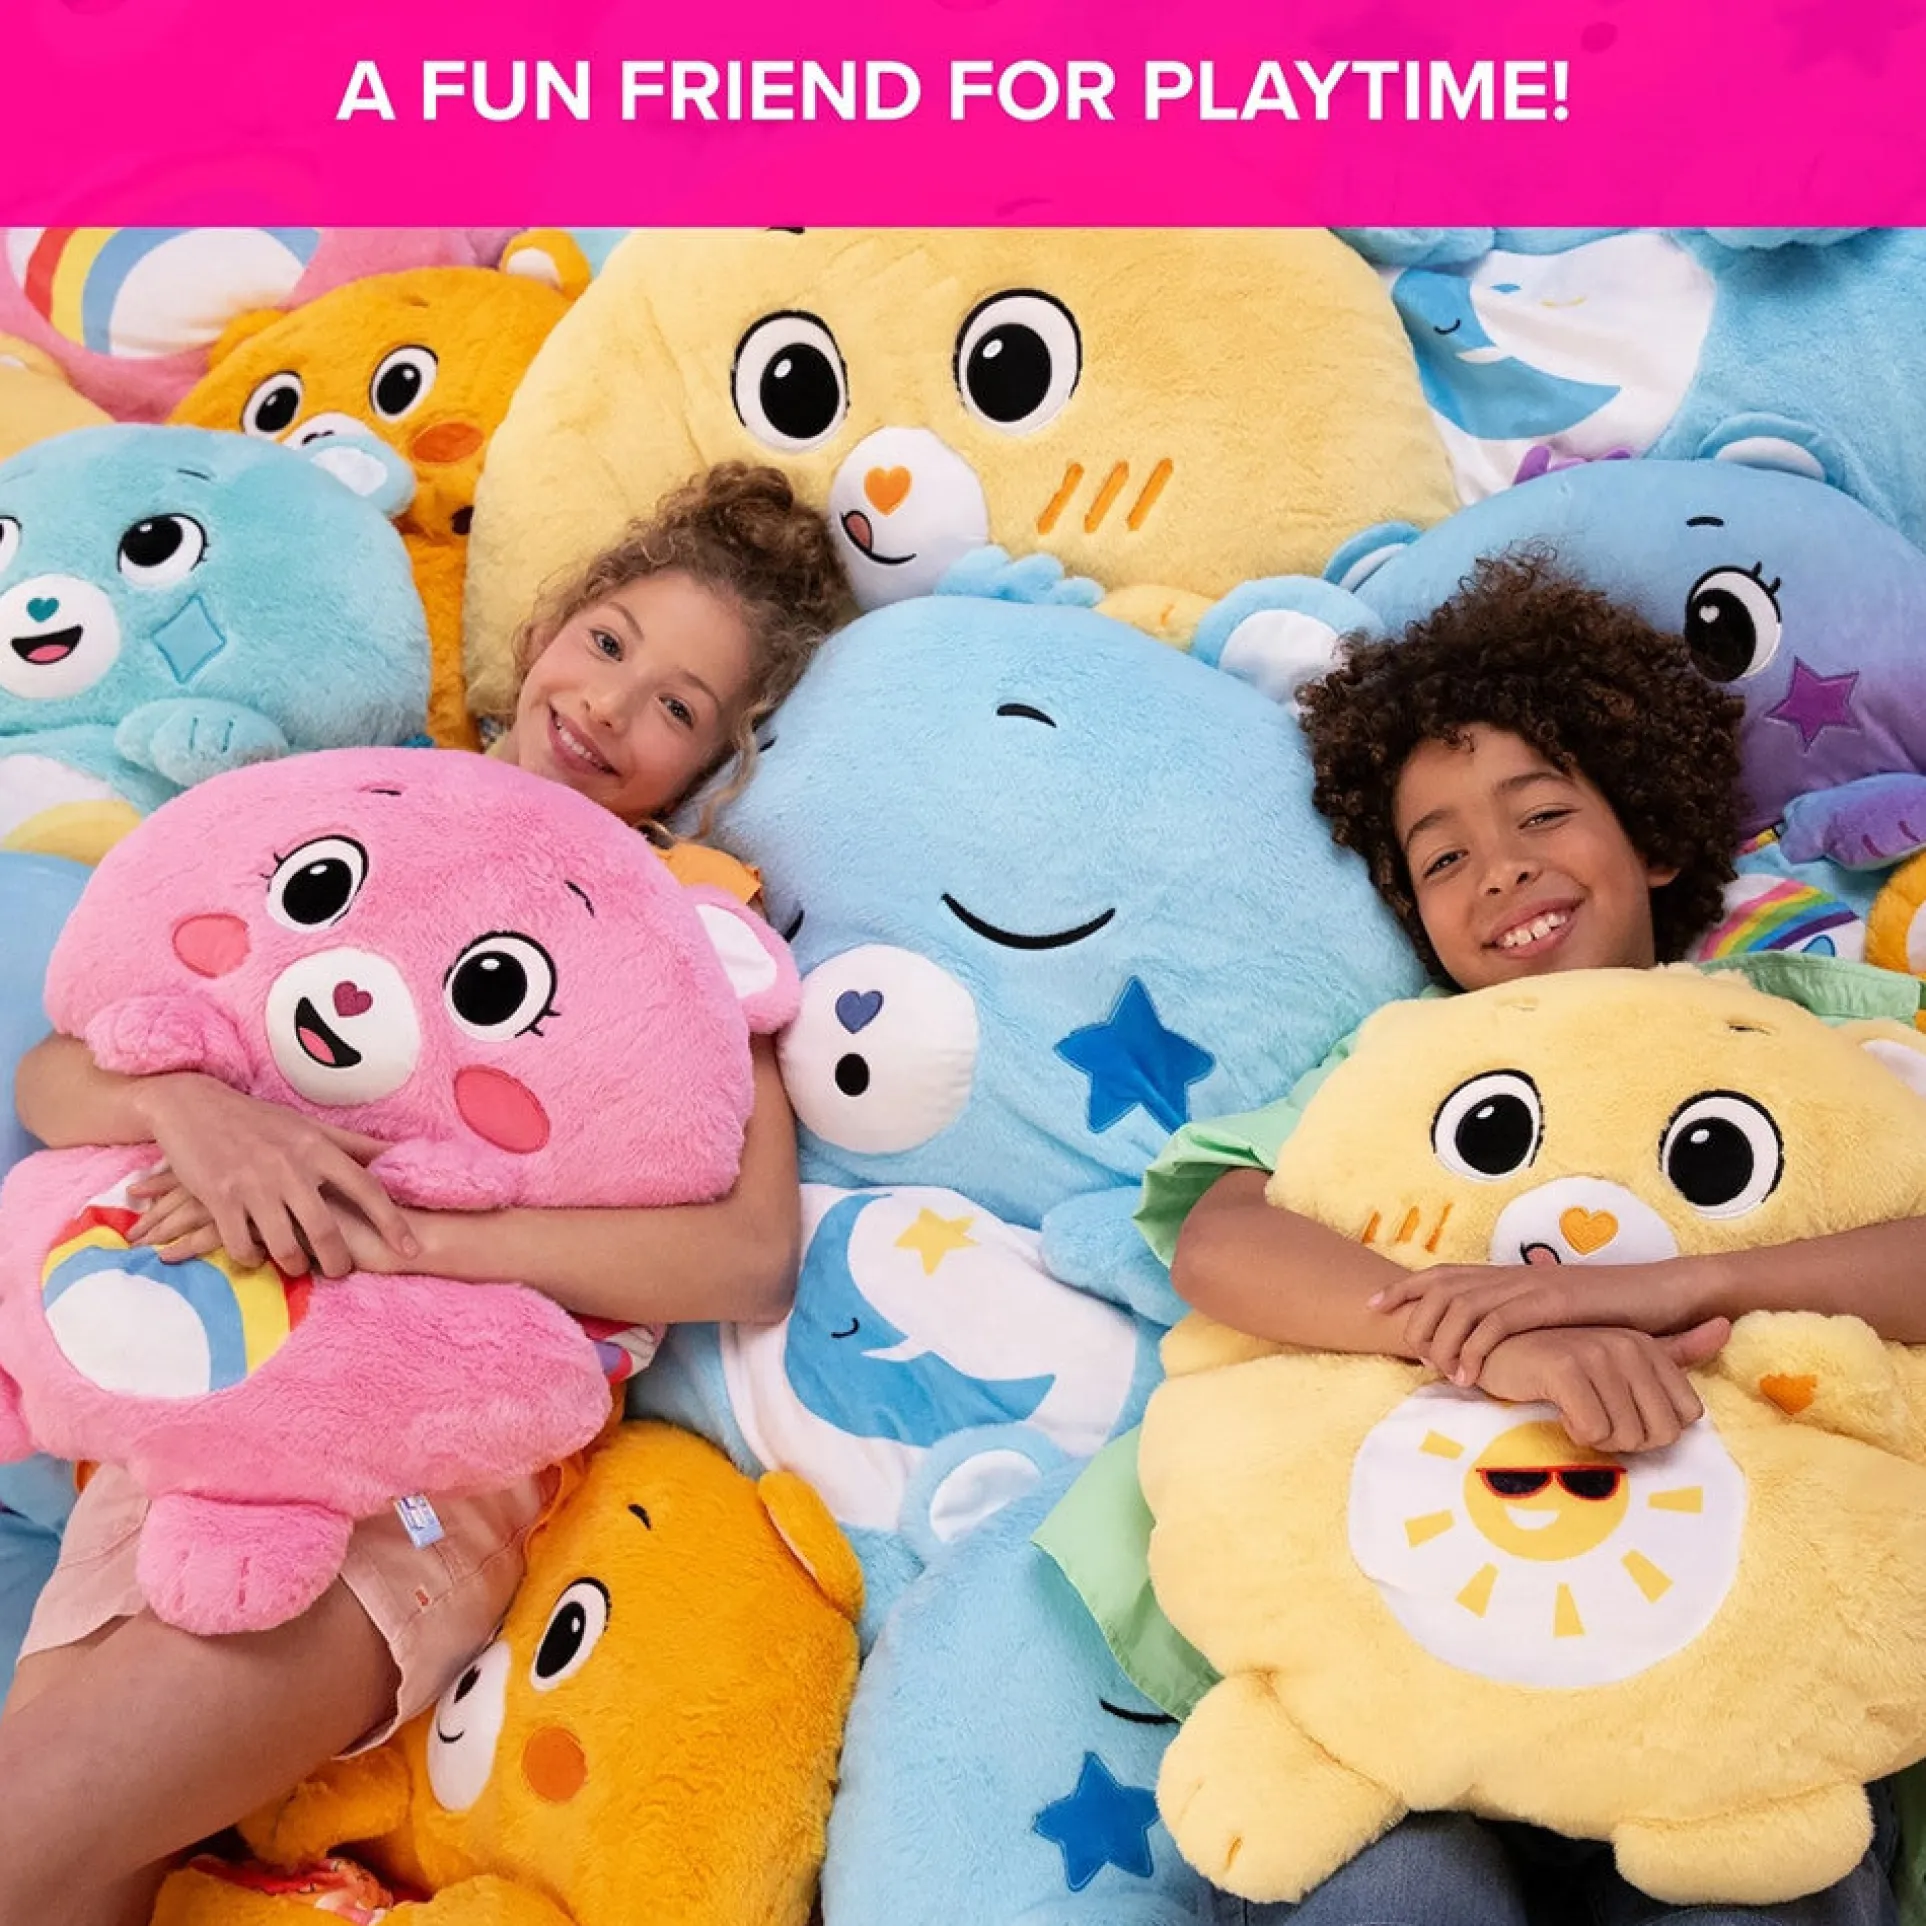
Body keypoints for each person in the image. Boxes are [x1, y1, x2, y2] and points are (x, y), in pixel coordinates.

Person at [0, 462, 850, 1926]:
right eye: (608, 641)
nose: (609, 705)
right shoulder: (355, 796)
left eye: (675, 706)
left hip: (413, 1481)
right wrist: (195, 1112)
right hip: (177, 1425)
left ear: (716, 757)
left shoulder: (687, 918)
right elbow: (55, 1077)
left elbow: (747, 1256)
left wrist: (395, 1234)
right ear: (547, 627)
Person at [1045, 553, 1919, 1926]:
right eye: (1442, 856)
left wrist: (1665, 1290)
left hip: (1738, 1708)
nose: (1500, 867)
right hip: (1405, 1688)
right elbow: (1221, 1237)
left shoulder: (1800, 1026)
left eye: (1543, 812)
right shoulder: (1398, 1068)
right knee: (1390, 1896)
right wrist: (1490, 1341)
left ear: (1653, 837)